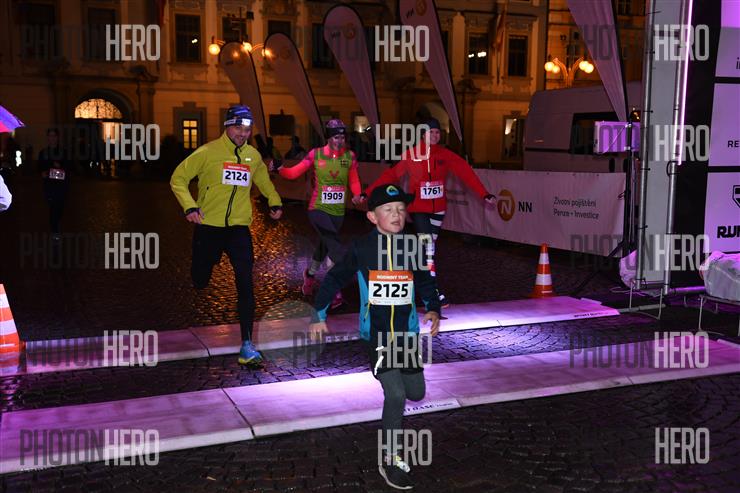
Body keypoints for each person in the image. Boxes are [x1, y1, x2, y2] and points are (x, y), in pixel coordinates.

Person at [310, 184, 441, 490]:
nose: (397, 215)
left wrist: (433, 308)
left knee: (416, 392)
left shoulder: (412, 246)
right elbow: (334, 278)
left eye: (401, 209)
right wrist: (319, 314)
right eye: (388, 210)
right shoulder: (362, 248)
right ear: (372, 217)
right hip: (379, 336)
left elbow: (424, 280)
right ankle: (390, 459)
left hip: (406, 335)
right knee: (395, 394)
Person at [170, 105, 283, 366]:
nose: (243, 134)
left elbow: (264, 181)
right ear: (227, 126)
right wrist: (190, 206)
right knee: (200, 279)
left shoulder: (252, 156)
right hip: (208, 226)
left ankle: (247, 345)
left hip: (238, 229)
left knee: (245, 281)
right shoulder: (208, 152)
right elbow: (178, 178)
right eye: (238, 128)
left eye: (247, 130)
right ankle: (205, 265)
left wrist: (275, 201)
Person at [364, 118, 496, 307]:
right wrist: (367, 193)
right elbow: (390, 175)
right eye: (430, 132)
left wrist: (484, 194)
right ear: (422, 134)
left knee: (428, 251)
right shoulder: (411, 155)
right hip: (419, 210)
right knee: (429, 248)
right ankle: (432, 292)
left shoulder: (445, 155)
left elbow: (465, 172)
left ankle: (415, 278)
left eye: (437, 132)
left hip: (438, 210)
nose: (434, 135)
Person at [274, 119, 365, 308]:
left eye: (342, 137)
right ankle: (335, 291)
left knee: (324, 247)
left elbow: (354, 180)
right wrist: (281, 169)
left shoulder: (349, 156)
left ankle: (310, 275)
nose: (340, 141)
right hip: (318, 209)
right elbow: (293, 173)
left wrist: (357, 195)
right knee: (334, 247)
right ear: (328, 138)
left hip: (338, 212)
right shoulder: (315, 154)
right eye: (336, 137)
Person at [38, 128, 71, 240]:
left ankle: (56, 225)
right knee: (53, 208)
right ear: (47, 138)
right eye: (50, 136)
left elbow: (68, 169)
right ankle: (55, 230)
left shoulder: (64, 152)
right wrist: (42, 173)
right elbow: (39, 168)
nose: (52, 138)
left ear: (57, 137)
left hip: (61, 187)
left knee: (59, 208)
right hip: (49, 187)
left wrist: (59, 167)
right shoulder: (43, 153)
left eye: (54, 136)